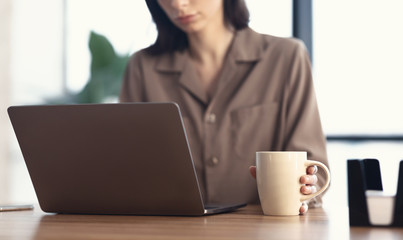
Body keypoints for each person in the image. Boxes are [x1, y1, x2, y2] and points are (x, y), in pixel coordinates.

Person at [119, 0, 329, 214]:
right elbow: (126, 169)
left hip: (263, 230)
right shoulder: (142, 68)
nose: (178, 4)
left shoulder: (287, 58)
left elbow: (315, 170)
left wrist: (302, 193)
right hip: (171, 230)